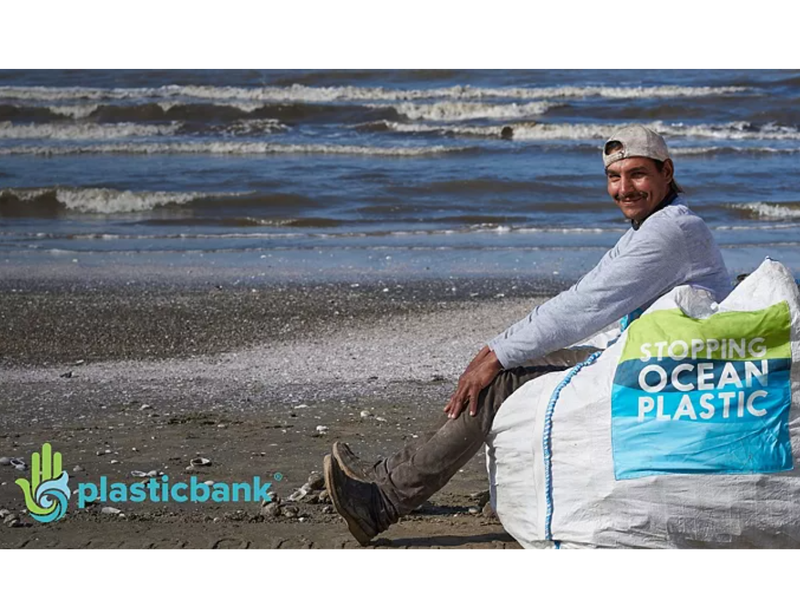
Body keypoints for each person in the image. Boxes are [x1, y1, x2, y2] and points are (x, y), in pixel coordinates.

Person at [322, 124, 733, 545]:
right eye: (614, 177)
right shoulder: (656, 224)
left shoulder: (669, 232)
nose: (624, 188)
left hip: (669, 367)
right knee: (507, 366)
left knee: (500, 381)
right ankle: (389, 476)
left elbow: (586, 305)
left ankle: (382, 499)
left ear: (666, 171)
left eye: (637, 175)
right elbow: (587, 293)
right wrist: (497, 349)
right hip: (652, 353)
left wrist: (497, 355)